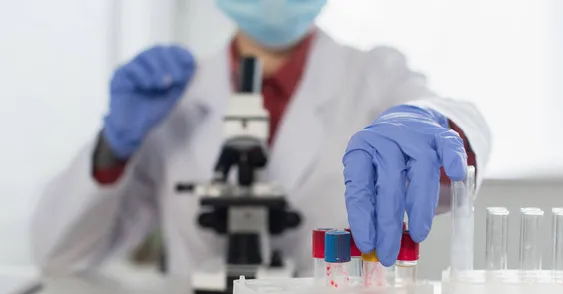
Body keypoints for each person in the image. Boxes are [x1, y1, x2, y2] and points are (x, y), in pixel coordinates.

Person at [31, 0, 490, 275]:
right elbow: (60, 255)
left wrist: (433, 125)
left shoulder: (374, 76)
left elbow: (456, 126)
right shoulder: (173, 94)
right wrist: (114, 148)